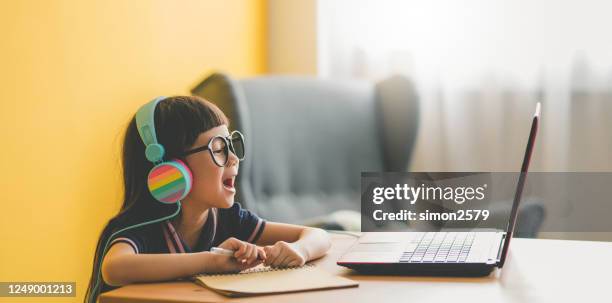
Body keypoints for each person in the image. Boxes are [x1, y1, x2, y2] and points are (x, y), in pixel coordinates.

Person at [85, 96, 331, 302]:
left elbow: (318, 235)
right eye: (219, 149)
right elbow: (114, 268)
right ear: (170, 170)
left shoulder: (228, 218)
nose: (234, 157)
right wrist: (212, 262)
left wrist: (299, 250)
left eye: (231, 145)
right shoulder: (139, 225)